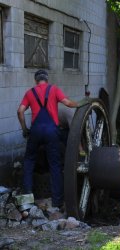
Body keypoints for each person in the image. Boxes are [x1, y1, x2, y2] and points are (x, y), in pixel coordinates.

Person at [17, 70, 79, 208]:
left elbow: (20, 111)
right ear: (47, 79)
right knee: (55, 166)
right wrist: (80, 104)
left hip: (35, 132)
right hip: (52, 132)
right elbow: (68, 103)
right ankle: (57, 202)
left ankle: (27, 201)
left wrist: (24, 129)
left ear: (35, 81)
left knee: (28, 162)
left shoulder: (29, 93)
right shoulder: (54, 89)